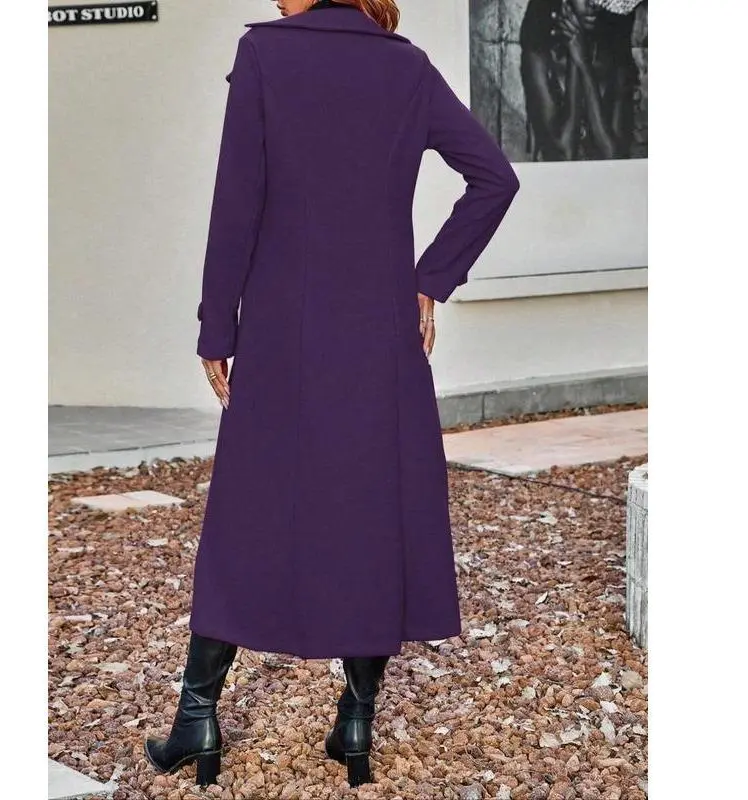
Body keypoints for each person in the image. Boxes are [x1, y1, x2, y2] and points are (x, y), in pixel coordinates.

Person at [144, 0, 519, 789]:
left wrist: (217, 326)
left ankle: (197, 718)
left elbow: (237, 201)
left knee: (248, 510)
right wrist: (430, 280)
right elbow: (495, 177)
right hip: (379, 331)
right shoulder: (404, 65)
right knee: (369, 508)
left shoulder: (265, 56)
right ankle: (355, 721)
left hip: (281, 329)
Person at [520, 0, 642, 160]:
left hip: (605, 176)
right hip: (556, 176)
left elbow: (614, 156)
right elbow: (564, 154)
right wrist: (574, 58)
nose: (594, 3)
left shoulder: (615, 59)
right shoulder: (538, 58)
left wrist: (583, 64)